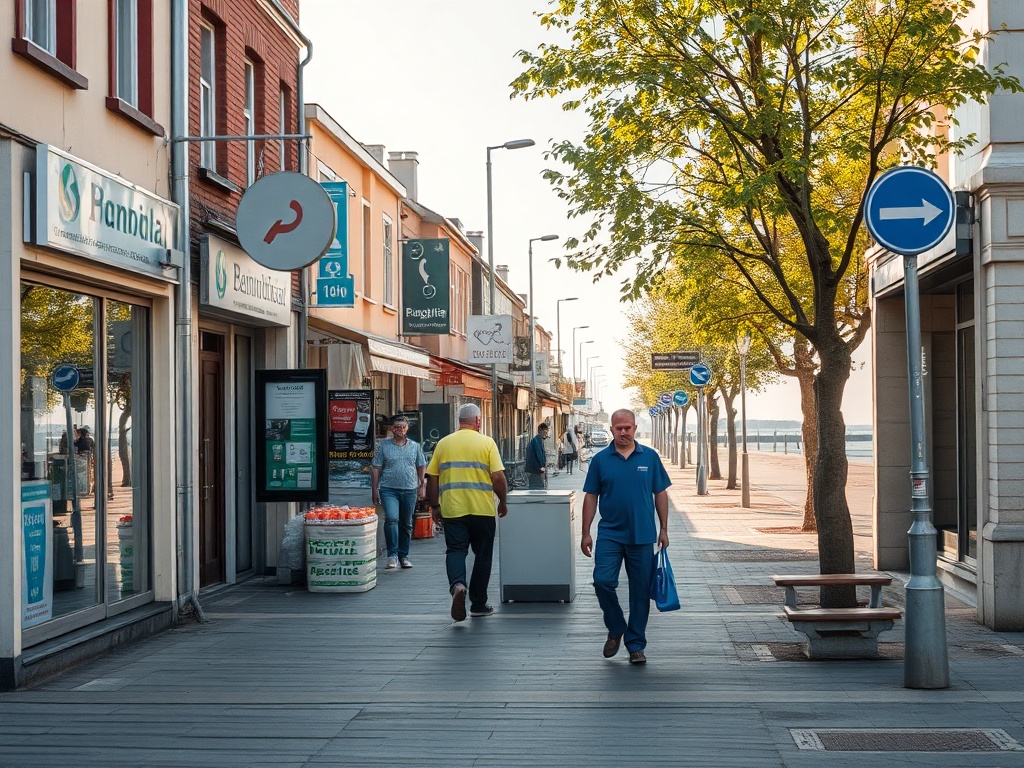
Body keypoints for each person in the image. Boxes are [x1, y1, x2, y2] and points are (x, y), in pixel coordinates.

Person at [581, 409, 671, 665]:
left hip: (642, 535)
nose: (623, 432)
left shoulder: (650, 458)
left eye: (628, 427)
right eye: (619, 428)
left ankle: (635, 645)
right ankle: (616, 625)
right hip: (610, 534)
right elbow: (590, 496)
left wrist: (663, 528)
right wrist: (586, 532)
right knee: (602, 582)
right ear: (611, 430)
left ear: (635, 429)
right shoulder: (600, 460)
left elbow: (660, 493)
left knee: (641, 593)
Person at [426, 403, 507, 621]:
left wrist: (434, 506)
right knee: (483, 555)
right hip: (482, 510)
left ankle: (458, 586)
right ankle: (478, 604)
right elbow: (498, 477)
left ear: (459, 421)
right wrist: (503, 502)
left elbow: (432, 477)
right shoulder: (487, 443)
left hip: (453, 510)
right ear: (478, 421)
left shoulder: (444, 443)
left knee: (455, 550)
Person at [371, 415, 427, 570]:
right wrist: (374, 490)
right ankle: (392, 555)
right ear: (391, 429)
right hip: (389, 489)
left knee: (407, 524)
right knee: (391, 518)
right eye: (396, 427)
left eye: (402, 427)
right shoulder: (384, 446)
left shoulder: (415, 446)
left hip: (410, 489)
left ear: (407, 428)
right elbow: (376, 468)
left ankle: (404, 556)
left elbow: (421, 465)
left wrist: (422, 485)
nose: (399, 430)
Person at [525, 423, 549, 489]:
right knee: (538, 487)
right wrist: (542, 466)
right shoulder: (537, 440)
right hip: (535, 469)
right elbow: (539, 454)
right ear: (541, 430)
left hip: (533, 468)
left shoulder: (536, 439)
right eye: (545, 431)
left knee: (535, 486)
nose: (546, 433)